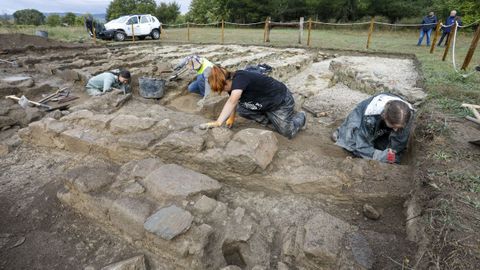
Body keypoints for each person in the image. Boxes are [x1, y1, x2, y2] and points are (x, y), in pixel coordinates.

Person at [199, 66, 306, 139]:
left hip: (279, 101)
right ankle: (272, 120)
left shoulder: (241, 78)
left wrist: (218, 122)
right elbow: (233, 102)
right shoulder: (231, 86)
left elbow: (232, 101)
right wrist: (231, 117)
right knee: (242, 109)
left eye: (222, 89)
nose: (223, 91)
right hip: (262, 103)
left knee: (287, 133)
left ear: (227, 81)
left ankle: (301, 117)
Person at [331, 93, 414, 164]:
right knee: (352, 143)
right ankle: (341, 132)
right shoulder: (370, 116)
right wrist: (379, 156)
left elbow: (399, 142)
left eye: (398, 127)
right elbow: (362, 145)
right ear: (384, 117)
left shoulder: (406, 115)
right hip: (363, 115)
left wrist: (392, 150)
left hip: (385, 120)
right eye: (394, 126)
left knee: (385, 149)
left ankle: (380, 139)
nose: (395, 130)